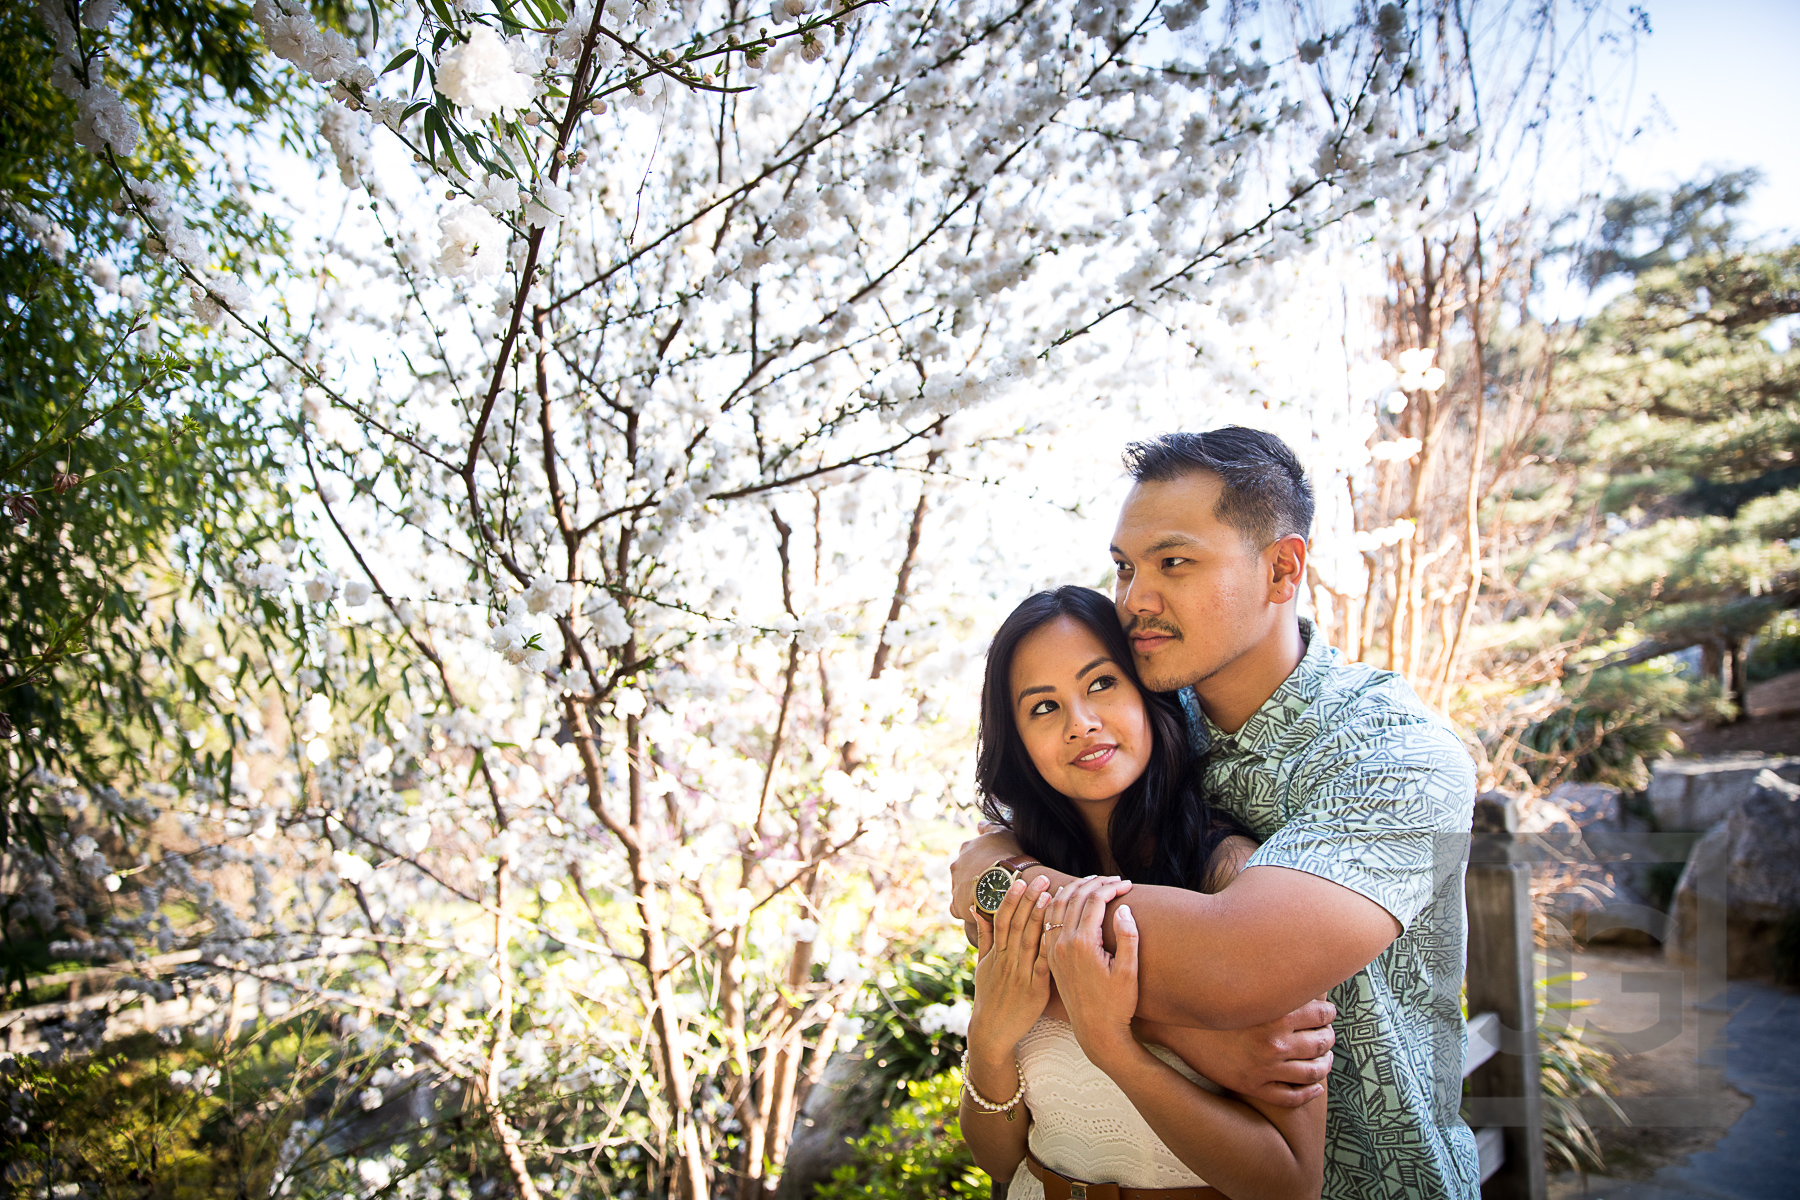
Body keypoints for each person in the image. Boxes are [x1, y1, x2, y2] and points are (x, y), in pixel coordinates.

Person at [952, 428, 1479, 1200]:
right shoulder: (1148, 727)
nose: (1136, 599)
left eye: (1174, 562)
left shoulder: (1397, 756)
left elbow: (1234, 965)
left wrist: (1003, 890)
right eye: (1126, 568)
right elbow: (1011, 864)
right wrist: (995, 856)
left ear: (1282, 569)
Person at [960, 585, 1324, 1200]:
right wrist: (988, 1042)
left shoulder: (1233, 884)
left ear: (1148, 693)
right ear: (1018, 741)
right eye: (1043, 707)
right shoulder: (1018, 885)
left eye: (1101, 684)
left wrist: (1117, 1045)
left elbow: (1290, 1184)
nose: (1082, 724)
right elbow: (998, 1160)